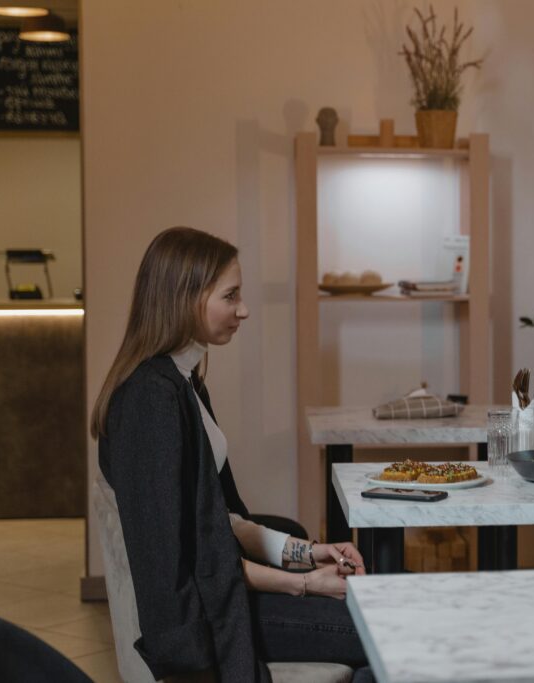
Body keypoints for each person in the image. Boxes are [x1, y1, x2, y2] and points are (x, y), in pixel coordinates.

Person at [91, 227, 372, 682]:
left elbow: (221, 523)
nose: (243, 310)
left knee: (379, 613)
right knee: (386, 630)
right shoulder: (149, 402)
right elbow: (179, 562)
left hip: (222, 598)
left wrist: (309, 553)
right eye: (231, 296)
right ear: (184, 299)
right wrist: (303, 584)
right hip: (206, 624)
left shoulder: (183, 383)